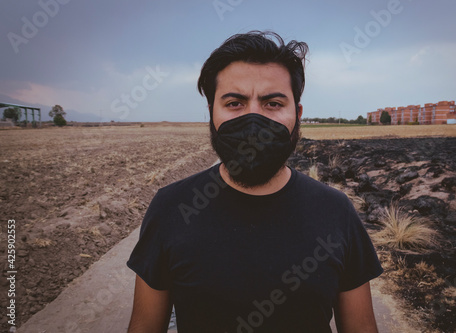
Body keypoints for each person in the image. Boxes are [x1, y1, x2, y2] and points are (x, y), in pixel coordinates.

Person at [127, 30, 383, 333]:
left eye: (272, 103)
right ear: (211, 113)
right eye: (234, 103)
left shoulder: (336, 212)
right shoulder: (171, 208)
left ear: (297, 114)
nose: (253, 121)